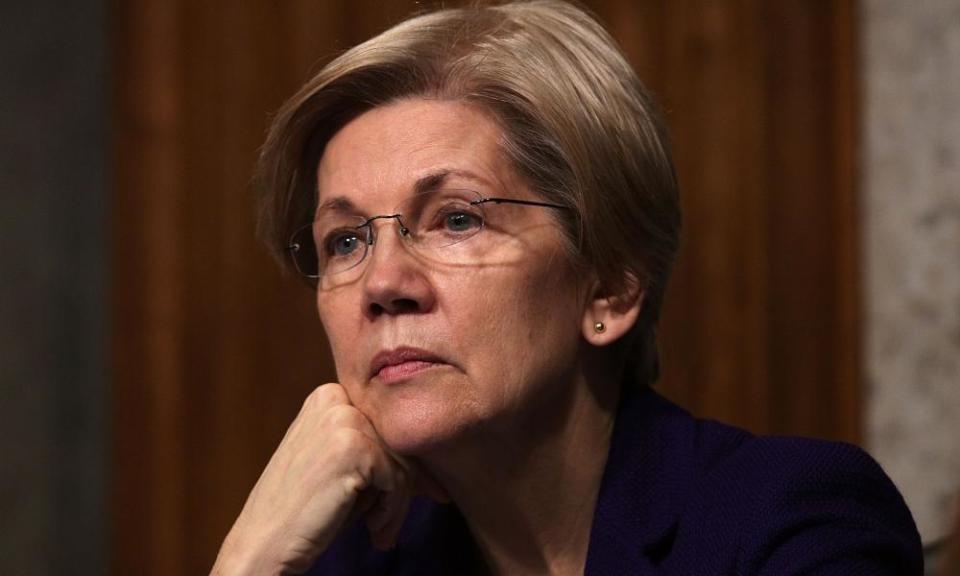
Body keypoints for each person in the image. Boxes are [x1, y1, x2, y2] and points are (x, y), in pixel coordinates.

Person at [211, 1, 923, 574]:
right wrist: (249, 561)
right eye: (346, 240)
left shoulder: (788, 520)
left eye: (457, 219)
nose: (384, 282)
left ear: (609, 289)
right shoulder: (355, 556)